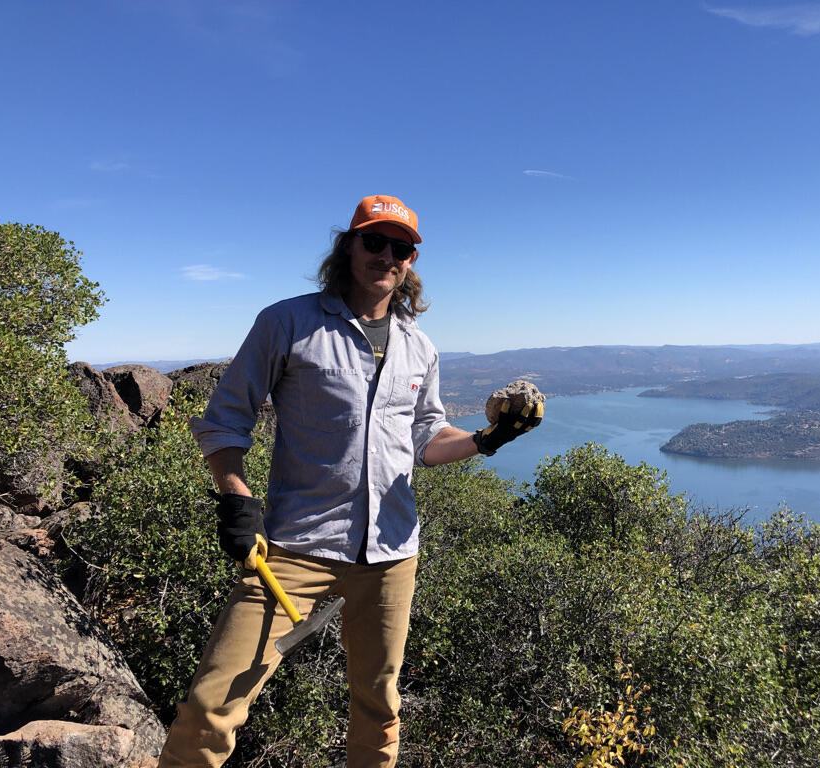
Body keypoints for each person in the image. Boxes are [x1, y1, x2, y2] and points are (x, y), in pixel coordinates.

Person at [157, 195, 542, 767]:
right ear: (349, 246)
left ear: (410, 261)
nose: (386, 255)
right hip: (293, 547)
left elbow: (423, 439)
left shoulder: (419, 345)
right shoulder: (287, 322)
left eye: (401, 247)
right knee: (212, 707)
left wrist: (488, 440)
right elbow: (225, 419)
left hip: (391, 555)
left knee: (378, 708)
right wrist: (236, 499)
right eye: (374, 241)